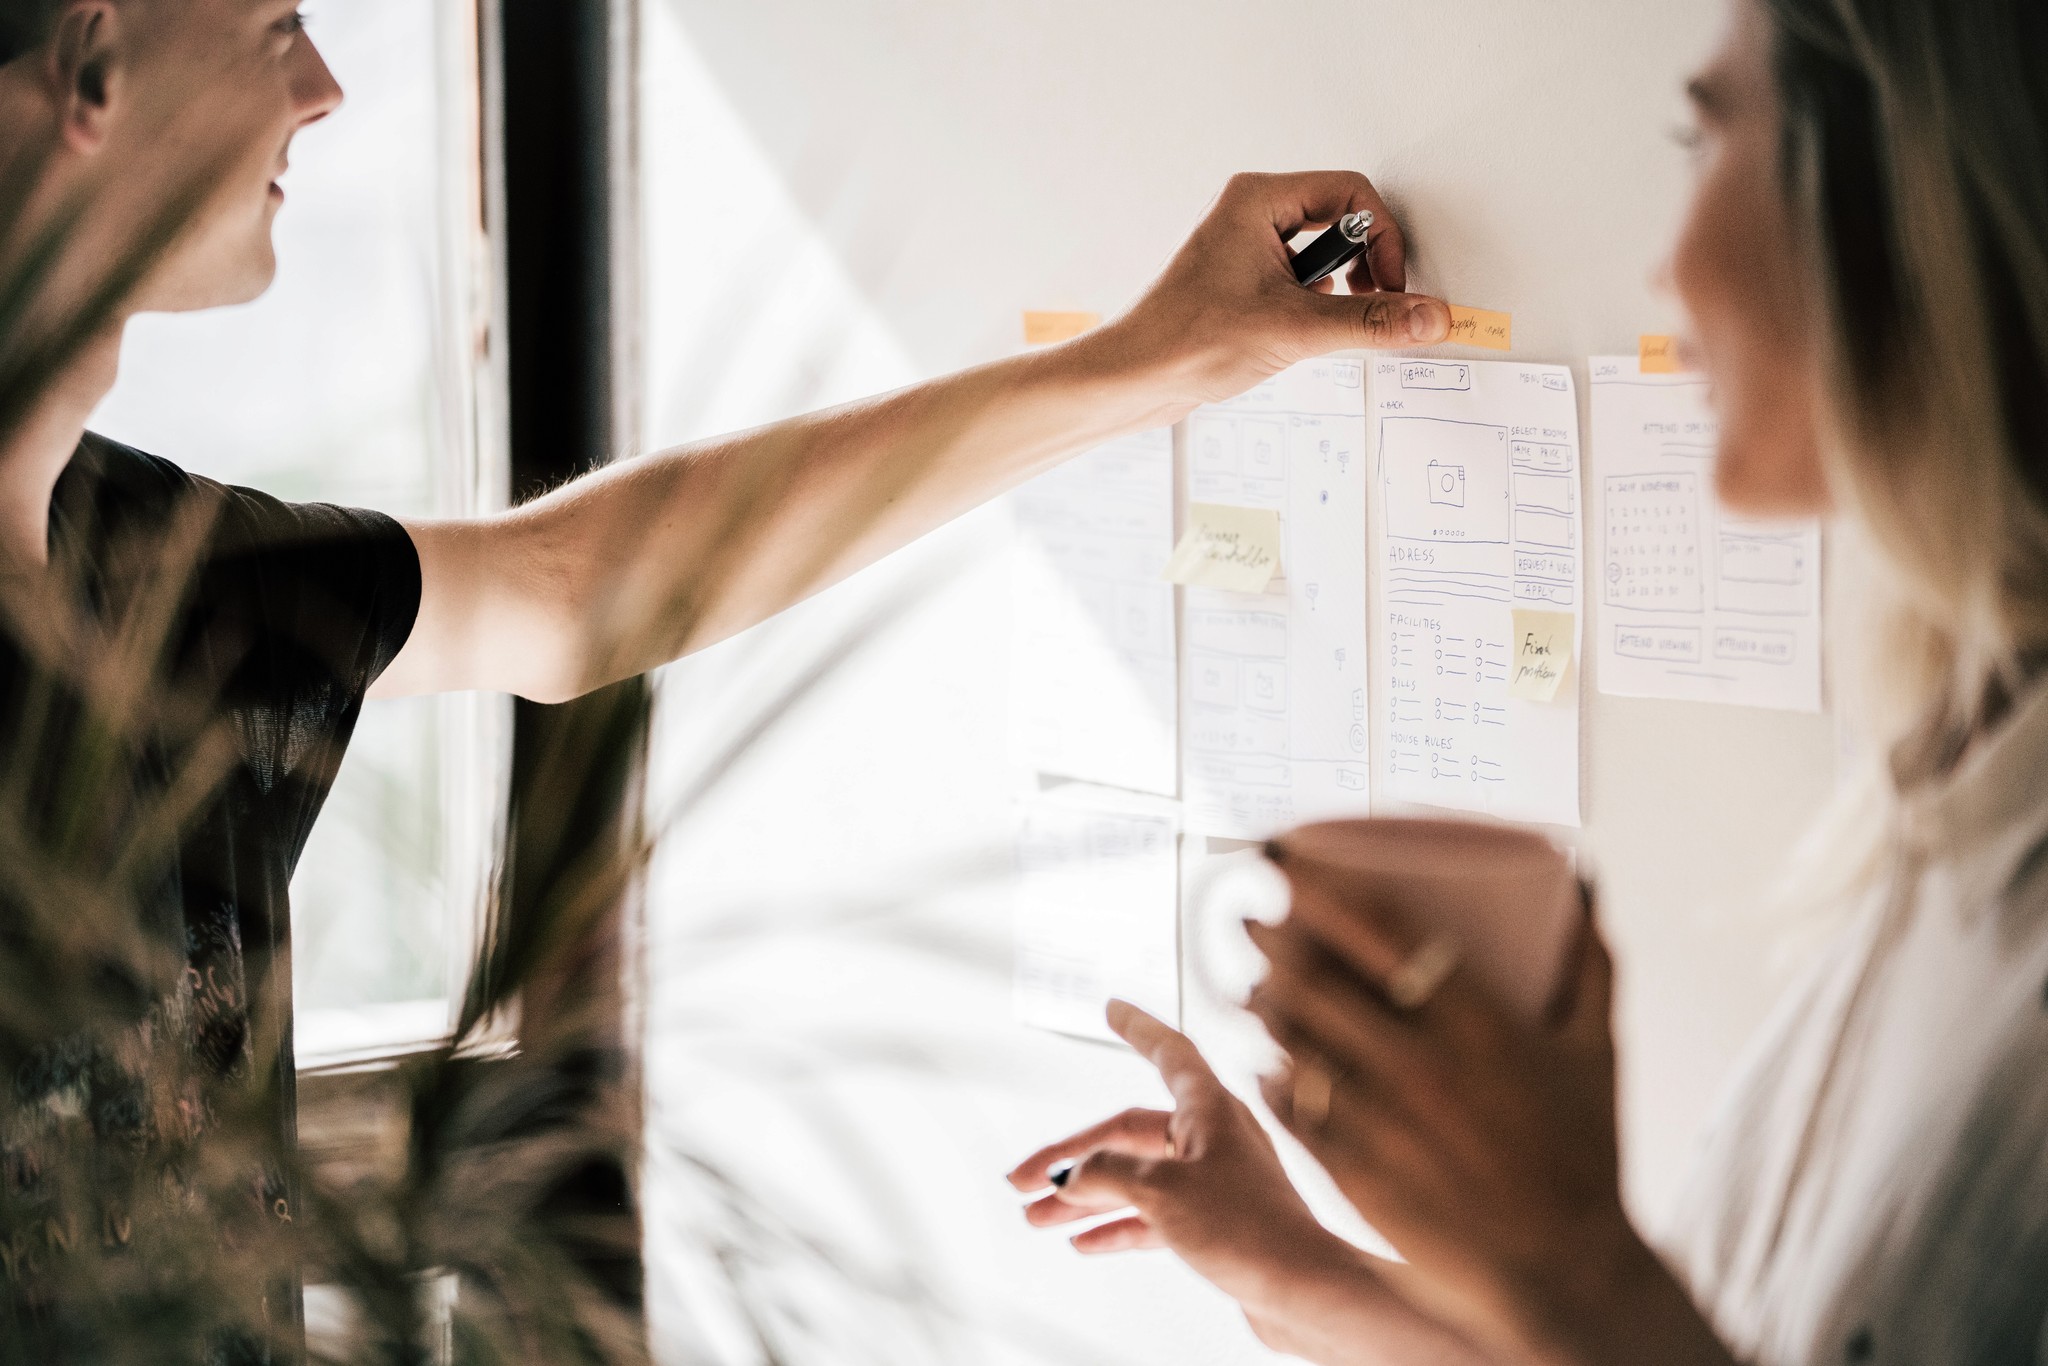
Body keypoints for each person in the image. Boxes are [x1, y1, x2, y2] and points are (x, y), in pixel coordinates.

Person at [0, 0, 1454, 1357]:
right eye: (274, 27)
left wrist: (1152, 360)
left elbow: (573, 589)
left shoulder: (149, 567)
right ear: (95, 66)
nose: (322, 88)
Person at [1012, 0, 2048, 1362]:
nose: (1669, 267)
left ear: (1905, 191)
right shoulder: (1954, 802)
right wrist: (1294, 1260)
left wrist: (1564, 1250)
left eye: (1705, 138)